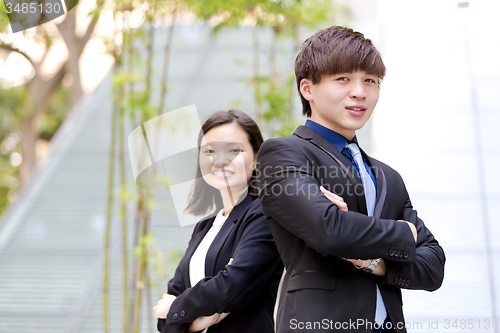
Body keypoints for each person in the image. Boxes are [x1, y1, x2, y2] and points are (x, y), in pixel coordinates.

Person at [255, 26, 446, 333]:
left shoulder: (389, 177)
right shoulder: (283, 154)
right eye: (343, 78)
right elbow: (329, 230)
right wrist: (404, 233)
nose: (360, 91)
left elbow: (433, 267)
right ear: (307, 89)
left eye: (370, 80)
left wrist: (373, 262)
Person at [154, 110, 284, 333]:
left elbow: (232, 286)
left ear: (256, 159)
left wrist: (176, 307)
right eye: (210, 151)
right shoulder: (205, 226)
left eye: (234, 150)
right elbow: (164, 316)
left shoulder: (264, 214)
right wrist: (197, 321)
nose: (220, 160)